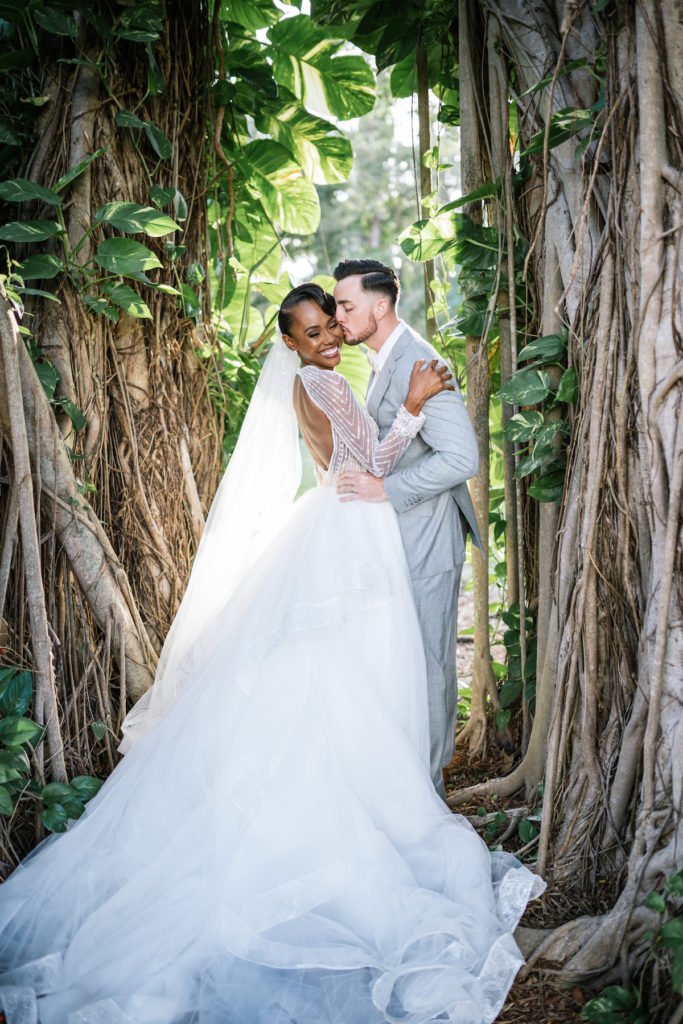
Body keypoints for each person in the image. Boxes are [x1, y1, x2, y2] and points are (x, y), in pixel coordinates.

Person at [0, 284, 543, 1024]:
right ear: (289, 342)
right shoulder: (321, 382)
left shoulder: (308, 381)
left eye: (329, 327)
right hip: (350, 528)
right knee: (351, 673)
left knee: (335, 675)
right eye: (311, 332)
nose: (325, 340)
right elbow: (369, 464)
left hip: (336, 525)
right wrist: (414, 402)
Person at [333, 260, 481, 799]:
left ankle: (432, 791)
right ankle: (409, 782)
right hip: (399, 540)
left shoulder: (421, 360)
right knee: (405, 660)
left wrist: (385, 491)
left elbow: (462, 457)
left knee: (430, 662)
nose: (338, 316)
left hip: (428, 538)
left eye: (346, 306)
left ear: (380, 306)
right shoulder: (384, 360)